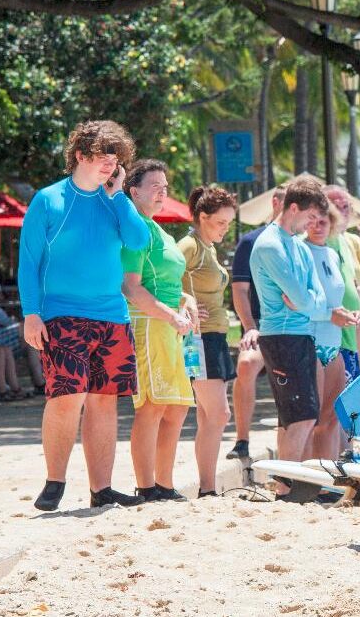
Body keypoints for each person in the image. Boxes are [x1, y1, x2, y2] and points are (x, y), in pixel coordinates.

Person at [19, 120, 150, 511]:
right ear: (79, 155)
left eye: (115, 158)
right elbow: (28, 262)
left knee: (104, 400)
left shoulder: (114, 202)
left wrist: (119, 196)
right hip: (61, 314)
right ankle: (55, 481)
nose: (110, 164)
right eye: (102, 156)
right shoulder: (48, 199)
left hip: (112, 316)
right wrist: (31, 313)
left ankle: (102, 489)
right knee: (66, 396)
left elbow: (139, 240)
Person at [249, 175, 346, 499]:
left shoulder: (297, 245)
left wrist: (309, 303)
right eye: (310, 216)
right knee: (301, 416)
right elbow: (304, 298)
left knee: (301, 415)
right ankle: (286, 488)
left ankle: (291, 486)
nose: (312, 224)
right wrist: (310, 303)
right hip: (281, 337)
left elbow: (312, 298)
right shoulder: (270, 244)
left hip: (302, 335)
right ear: (293, 208)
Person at [120, 159, 198, 502]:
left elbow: (165, 282)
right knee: (151, 406)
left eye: (165, 187)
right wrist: (171, 315)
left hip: (169, 326)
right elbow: (131, 286)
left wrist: (185, 299)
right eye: (154, 186)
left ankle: (165, 483)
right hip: (149, 324)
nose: (162, 192)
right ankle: (147, 485)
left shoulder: (159, 230)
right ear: (134, 191)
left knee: (176, 406)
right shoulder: (135, 229)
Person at [179, 185, 238, 497]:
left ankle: (207, 487)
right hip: (198, 338)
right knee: (219, 414)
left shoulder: (208, 247)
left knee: (208, 416)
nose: (225, 229)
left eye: (229, 223)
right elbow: (158, 277)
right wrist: (181, 302)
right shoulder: (190, 245)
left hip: (215, 336)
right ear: (203, 217)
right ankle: (207, 487)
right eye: (220, 222)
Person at [226, 185, 285, 460]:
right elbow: (239, 290)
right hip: (260, 322)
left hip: (292, 325)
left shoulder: (299, 243)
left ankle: (290, 441)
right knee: (247, 364)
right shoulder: (250, 241)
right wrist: (249, 326)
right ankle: (242, 440)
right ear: (275, 203)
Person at [303, 206, 360, 462]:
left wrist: (349, 313)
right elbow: (298, 301)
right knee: (308, 420)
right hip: (309, 342)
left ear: (333, 225)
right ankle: (304, 475)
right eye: (312, 221)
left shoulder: (332, 254)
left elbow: (335, 299)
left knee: (330, 419)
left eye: (323, 222)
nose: (317, 227)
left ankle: (326, 476)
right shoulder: (300, 251)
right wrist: (330, 315)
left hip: (333, 343)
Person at [324, 186, 360, 383]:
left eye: (346, 206)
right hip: (331, 325)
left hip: (355, 326)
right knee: (334, 387)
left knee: (353, 383)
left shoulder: (351, 241)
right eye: (336, 206)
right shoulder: (319, 239)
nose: (342, 212)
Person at [0, 280, 44, 400]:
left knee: (13, 347)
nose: (0, 296)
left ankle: (23, 387)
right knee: (23, 330)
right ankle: (4, 391)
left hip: (1, 341)